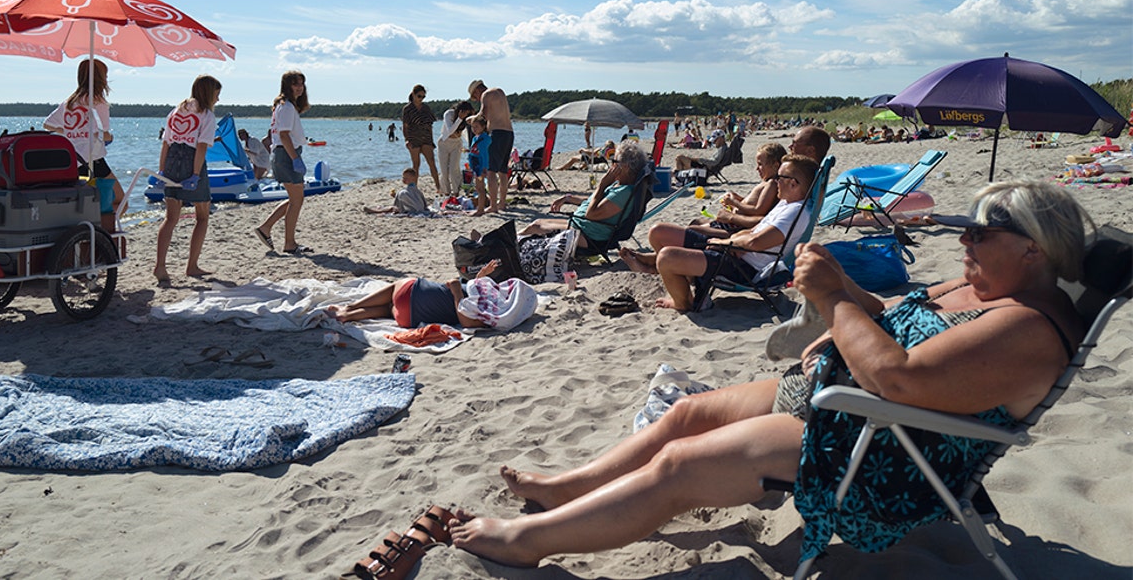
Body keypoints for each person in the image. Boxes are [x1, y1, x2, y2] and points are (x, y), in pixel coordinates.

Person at [449, 179, 1089, 567]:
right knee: (686, 414)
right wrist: (846, 297)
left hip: (883, 446)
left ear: (1032, 247)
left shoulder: (1027, 328)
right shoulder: (982, 288)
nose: (964, 243)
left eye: (979, 234)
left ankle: (530, 539)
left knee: (683, 465)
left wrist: (836, 306)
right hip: (846, 404)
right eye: (965, 231)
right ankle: (568, 488)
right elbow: (895, 314)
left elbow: (899, 379)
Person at [622, 154, 817, 311]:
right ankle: (684, 279)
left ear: (793, 183)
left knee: (666, 257)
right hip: (733, 252)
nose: (775, 182)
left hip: (745, 267)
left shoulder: (794, 212)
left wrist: (724, 243)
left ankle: (684, 302)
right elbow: (753, 232)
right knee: (660, 232)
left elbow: (755, 243)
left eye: (780, 178)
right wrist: (731, 239)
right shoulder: (786, 203)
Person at [645, 126, 830, 255]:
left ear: (810, 150)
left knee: (668, 231)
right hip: (746, 238)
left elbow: (760, 220)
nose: (790, 146)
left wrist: (731, 218)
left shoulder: (792, 185)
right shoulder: (803, 184)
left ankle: (662, 261)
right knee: (695, 223)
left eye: (795, 143)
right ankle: (659, 260)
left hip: (745, 246)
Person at [153, 75, 221, 283]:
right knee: (202, 215)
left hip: (172, 159)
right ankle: (192, 266)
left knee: (170, 217)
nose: (217, 100)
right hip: (192, 160)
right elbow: (201, 146)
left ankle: (160, 266)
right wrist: (195, 174)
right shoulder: (206, 115)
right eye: (217, 95)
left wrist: (162, 170)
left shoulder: (176, 111)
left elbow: (166, 143)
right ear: (209, 94)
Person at [518, 141, 646, 250]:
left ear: (625, 167)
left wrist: (602, 185)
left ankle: (504, 248)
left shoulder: (624, 193)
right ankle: (505, 245)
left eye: (614, 161)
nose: (611, 165)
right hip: (582, 227)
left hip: (590, 237)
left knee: (535, 227)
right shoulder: (620, 185)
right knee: (537, 223)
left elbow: (591, 214)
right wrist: (568, 198)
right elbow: (596, 201)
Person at [43, 58, 126, 218]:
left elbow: (47, 124)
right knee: (120, 201)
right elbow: (103, 133)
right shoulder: (98, 102)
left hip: (72, 161)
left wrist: (65, 131)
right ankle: (102, 231)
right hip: (93, 161)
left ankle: (90, 231)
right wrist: (109, 136)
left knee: (87, 203)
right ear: (101, 78)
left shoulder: (69, 103)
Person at [327, 260, 500, 328]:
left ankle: (350, 307)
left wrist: (456, 291)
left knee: (399, 285)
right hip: (408, 319)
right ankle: (349, 316)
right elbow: (473, 293)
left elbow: (467, 322)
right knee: (389, 309)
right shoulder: (492, 306)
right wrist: (481, 276)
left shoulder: (489, 312)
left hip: (414, 292)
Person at [254, 70, 311, 255]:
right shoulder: (286, 107)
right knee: (297, 200)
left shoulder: (285, 106)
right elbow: (284, 135)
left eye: (301, 84)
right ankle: (289, 243)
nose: (299, 87)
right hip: (286, 155)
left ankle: (266, 228)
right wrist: (295, 158)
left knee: (295, 199)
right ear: (287, 85)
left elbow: (285, 134)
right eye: (295, 84)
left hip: (284, 153)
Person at [687, 142, 786, 236]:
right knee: (695, 222)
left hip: (735, 226)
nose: (757, 169)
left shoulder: (772, 184)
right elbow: (753, 203)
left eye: (760, 164)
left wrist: (734, 202)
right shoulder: (768, 183)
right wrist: (737, 198)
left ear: (775, 165)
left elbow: (758, 210)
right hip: (735, 222)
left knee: (691, 231)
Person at [468, 79, 514, 214]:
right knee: (503, 171)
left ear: (477, 91)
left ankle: (493, 205)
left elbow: (483, 115)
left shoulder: (486, 95)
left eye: (475, 97)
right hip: (509, 133)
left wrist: (471, 120)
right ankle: (502, 203)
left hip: (497, 133)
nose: (477, 99)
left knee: (491, 171)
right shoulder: (499, 91)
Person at [402, 84, 442, 194]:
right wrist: (407, 140)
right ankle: (414, 188)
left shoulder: (426, 108)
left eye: (423, 97)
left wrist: (431, 140)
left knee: (431, 162)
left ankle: (438, 187)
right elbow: (405, 126)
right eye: (419, 96)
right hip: (413, 138)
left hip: (426, 138)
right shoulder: (408, 109)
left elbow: (430, 124)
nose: (421, 99)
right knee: (416, 165)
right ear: (413, 95)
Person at [439, 100, 474, 196]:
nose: (466, 114)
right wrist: (459, 118)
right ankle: (446, 192)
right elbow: (450, 130)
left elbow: (469, 132)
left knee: (454, 168)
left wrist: (471, 146)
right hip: (444, 142)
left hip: (457, 142)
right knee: (444, 170)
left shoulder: (466, 118)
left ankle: (456, 192)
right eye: (465, 112)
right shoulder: (449, 114)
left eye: (468, 113)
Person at [365, 168, 429, 215]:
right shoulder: (415, 190)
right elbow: (412, 199)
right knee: (391, 207)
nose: (403, 180)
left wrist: (397, 197)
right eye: (403, 178)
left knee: (392, 208)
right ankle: (378, 209)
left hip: (412, 210)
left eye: (406, 178)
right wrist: (396, 195)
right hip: (417, 209)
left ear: (413, 178)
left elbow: (404, 199)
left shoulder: (406, 192)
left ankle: (374, 211)